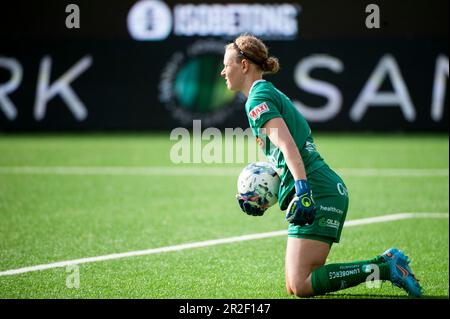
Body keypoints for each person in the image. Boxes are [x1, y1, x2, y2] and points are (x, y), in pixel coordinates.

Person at [220, 34, 422, 298]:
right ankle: (385, 266)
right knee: (296, 285)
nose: (223, 71)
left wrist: (303, 191)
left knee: (302, 284)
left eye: (227, 64)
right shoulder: (264, 93)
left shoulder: (257, 98)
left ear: (244, 65)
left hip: (317, 190)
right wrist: (265, 193)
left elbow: (288, 147)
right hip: (319, 186)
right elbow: (286, 153)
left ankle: (387, 267)